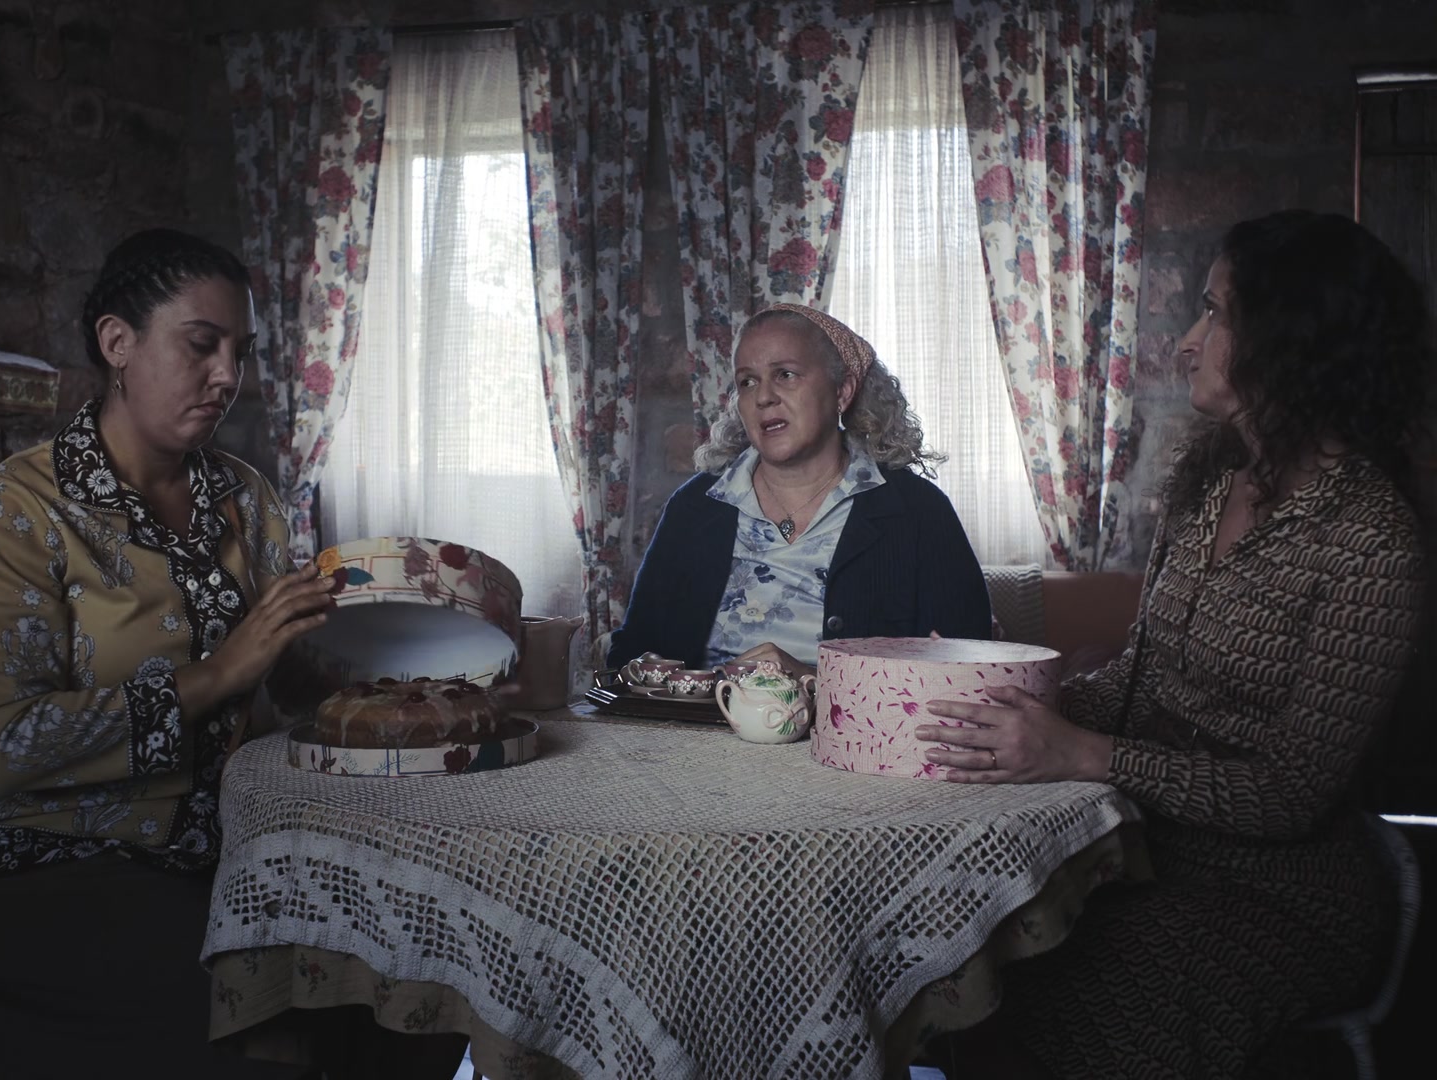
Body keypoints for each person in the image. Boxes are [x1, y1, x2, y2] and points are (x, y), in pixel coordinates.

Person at [916, 210, 1432, 1078]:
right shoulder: (1210, 483)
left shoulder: (1373, 542)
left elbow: (1291, 795)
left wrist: (1082, 754)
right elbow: (1141, 679)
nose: (1187, 342)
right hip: (1140, 848)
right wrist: (1012, 689)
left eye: (1215, 312)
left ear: (1292, 338)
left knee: (1080, 1003)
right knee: (970, 964)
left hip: (1280, 895)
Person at [0, 229, 335, 1079]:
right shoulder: (11, 509)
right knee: (263, 1035)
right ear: (118, 342)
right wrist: (217, 676)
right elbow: (4, 743)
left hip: (235, 851)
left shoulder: (246, 497)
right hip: (56, 868)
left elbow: (298, 681)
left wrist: (439, 669)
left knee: (407, 979)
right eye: (202, 344)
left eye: (239, 351)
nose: (227, 375)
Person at [607, 304, 990, 676]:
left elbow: (964, 677)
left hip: (854, 721)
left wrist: (811, 682)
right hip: (699, 719)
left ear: (842, 391)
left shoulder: (918, 510)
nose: (763, 397)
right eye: (747, 382)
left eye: (785, 375)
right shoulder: (696, 506)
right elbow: (631, 654)